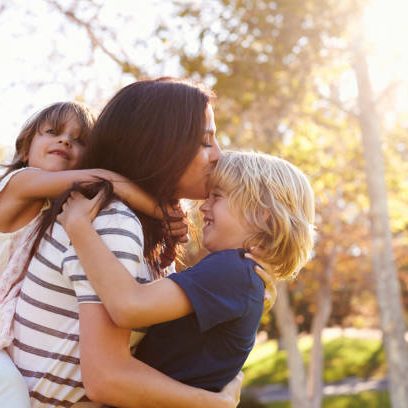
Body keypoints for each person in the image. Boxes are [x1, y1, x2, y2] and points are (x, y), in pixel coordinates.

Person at [9, 78, 244, 407]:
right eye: (206, 141)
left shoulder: (129, 225)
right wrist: (214, 403)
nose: (218, 155)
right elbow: (107, 380)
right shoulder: (111, 222)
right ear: (160, 145)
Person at [58, 150, 316, 392]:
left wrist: (78, 226)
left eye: (217, 196)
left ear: (263, 216)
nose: (203, 206)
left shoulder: (232, 270)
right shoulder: (242, 275)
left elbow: (129, 305)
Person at [0, 100, 184, 407]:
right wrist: (162, 213)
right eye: (53, 132)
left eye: (79, 140)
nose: (65, 141)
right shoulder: (19, 181)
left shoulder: (56, 206)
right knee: (14, 397)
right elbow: (104, 180)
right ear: (24, 149)